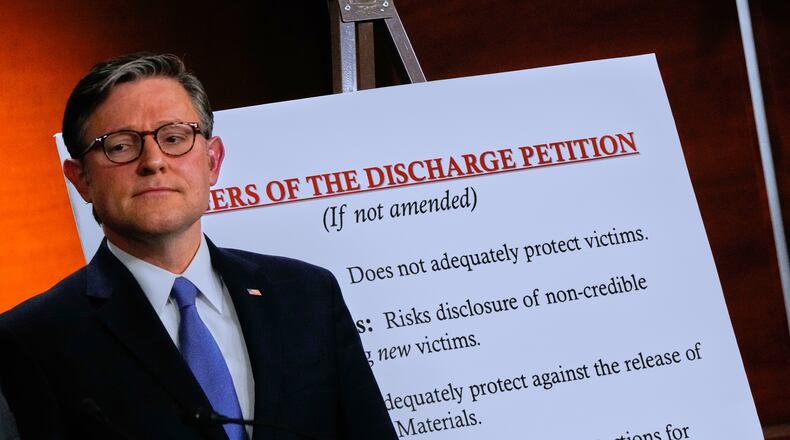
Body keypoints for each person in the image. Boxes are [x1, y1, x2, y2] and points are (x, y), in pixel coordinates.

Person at [0, 53, 397, 440]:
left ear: (213, 161)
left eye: (174, 138)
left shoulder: (308, 295)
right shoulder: (34, 338)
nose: (154, 161)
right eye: (120, 146)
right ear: (80, 179)